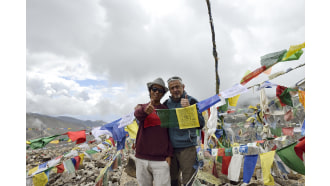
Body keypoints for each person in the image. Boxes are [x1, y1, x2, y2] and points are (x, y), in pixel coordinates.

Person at [163, 76, 205, 186]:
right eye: (172, 88)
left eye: (177, 87)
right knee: (172, 180)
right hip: (171, 150)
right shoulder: (166, 104)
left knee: (189, 180)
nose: (175, 90)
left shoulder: (192, 101)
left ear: (183, 86)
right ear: (169, 90)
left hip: (187, 148)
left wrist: (190, 109)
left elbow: (201, 124)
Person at [134, 77, 173, 186]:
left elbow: (169, 133)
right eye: (154, 89)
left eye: (160, 91)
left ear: (163, 94)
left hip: (161, 159)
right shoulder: (141, 107)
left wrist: (169, 154)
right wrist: (144, 111)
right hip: (141, 157)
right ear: (150, 91)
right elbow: (137, 115)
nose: (156, 92)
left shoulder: (166, 111)